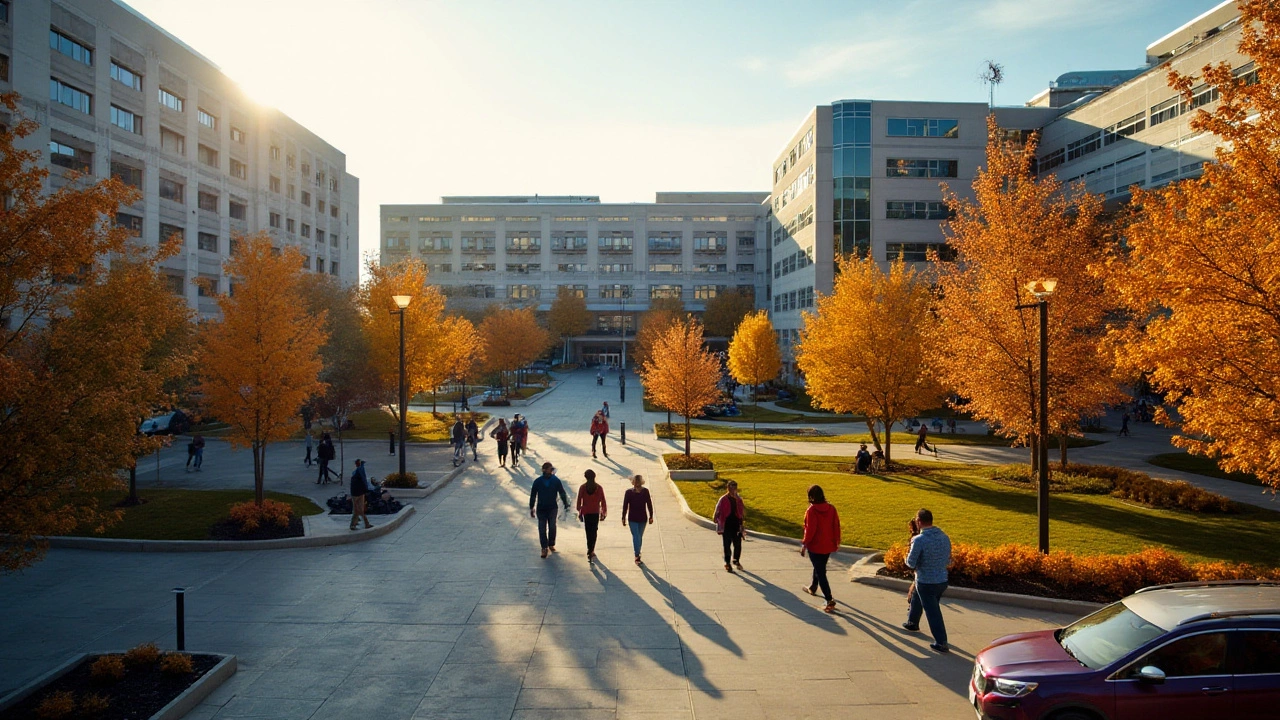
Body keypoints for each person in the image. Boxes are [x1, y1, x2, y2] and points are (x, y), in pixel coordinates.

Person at [902, 508, 952, 653]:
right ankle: (912, 622)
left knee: (933, 611)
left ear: (919, 522)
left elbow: (911, 563)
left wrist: (905, 557)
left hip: (926, 582)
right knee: (918, 596)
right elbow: (949, 561)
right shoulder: (944, 537)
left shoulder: (919, 540)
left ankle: (941, 642)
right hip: (942, 580)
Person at [799, 484, 840, 613]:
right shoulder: (831, 508)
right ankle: (813, 586)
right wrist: (836, 541)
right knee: (820, 566)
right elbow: (836, 526)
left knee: (820, 571)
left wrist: (804, 544)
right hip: (827, 545)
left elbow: (810, 530)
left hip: (815, 546)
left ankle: (829, 599)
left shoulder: (811, 510)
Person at [529, 462, 570, 558]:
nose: (551, 471)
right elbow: (533, 495)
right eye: (549, 469)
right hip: (541, 508)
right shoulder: (538, 481)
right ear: (544, 470)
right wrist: (532, 507)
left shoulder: (555, 480)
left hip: (552, 507)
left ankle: (551, 543)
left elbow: (562, 492)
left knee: (552, 526)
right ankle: (544, 547)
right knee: (542, 528)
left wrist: (565, 503)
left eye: (552, 469)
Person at [713, 480, 746, 572]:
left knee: (738, 544)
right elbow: (718, 509)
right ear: (728, 488)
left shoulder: (738, 499)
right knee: (727, 545)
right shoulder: (723, 499)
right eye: (731, 488)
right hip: (726, 524)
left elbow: (741, 511)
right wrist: (716, 518)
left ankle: (736, 560)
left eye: (735, 488)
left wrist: (742, 523)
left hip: (736, 524)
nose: (733, 490)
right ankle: (727, 563)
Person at [576, 469, 607, 563]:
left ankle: (589, 549)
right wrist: (603, 512)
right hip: (595, 512)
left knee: (588, 531)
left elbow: (579, 501)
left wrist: (580, 510)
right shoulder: (599, 488)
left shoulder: (583, 488)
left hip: (586, 512)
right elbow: (603, 501)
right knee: (594, 531)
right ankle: (591, 550)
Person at [621, 474, 653, 565]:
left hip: (643, 518)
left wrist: (651, 516)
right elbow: (625, 506)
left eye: (638, 482)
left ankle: (638, 553)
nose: (637, 484)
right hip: (632, 518)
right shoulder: (628, 492)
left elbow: (649, 504)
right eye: (635, 482)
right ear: (633, 483)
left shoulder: (645, 491)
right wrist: (623, 517)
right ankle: (637, 555)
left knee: (639, 536)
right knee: (636, 536)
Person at [349, 459, 372, 531]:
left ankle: (360, 523)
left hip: (356, 493)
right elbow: (364, 481)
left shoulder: (355, 473)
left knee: (358, 509)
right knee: (358, 510)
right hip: (359, 493)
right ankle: (358, 524)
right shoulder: (360, 472)